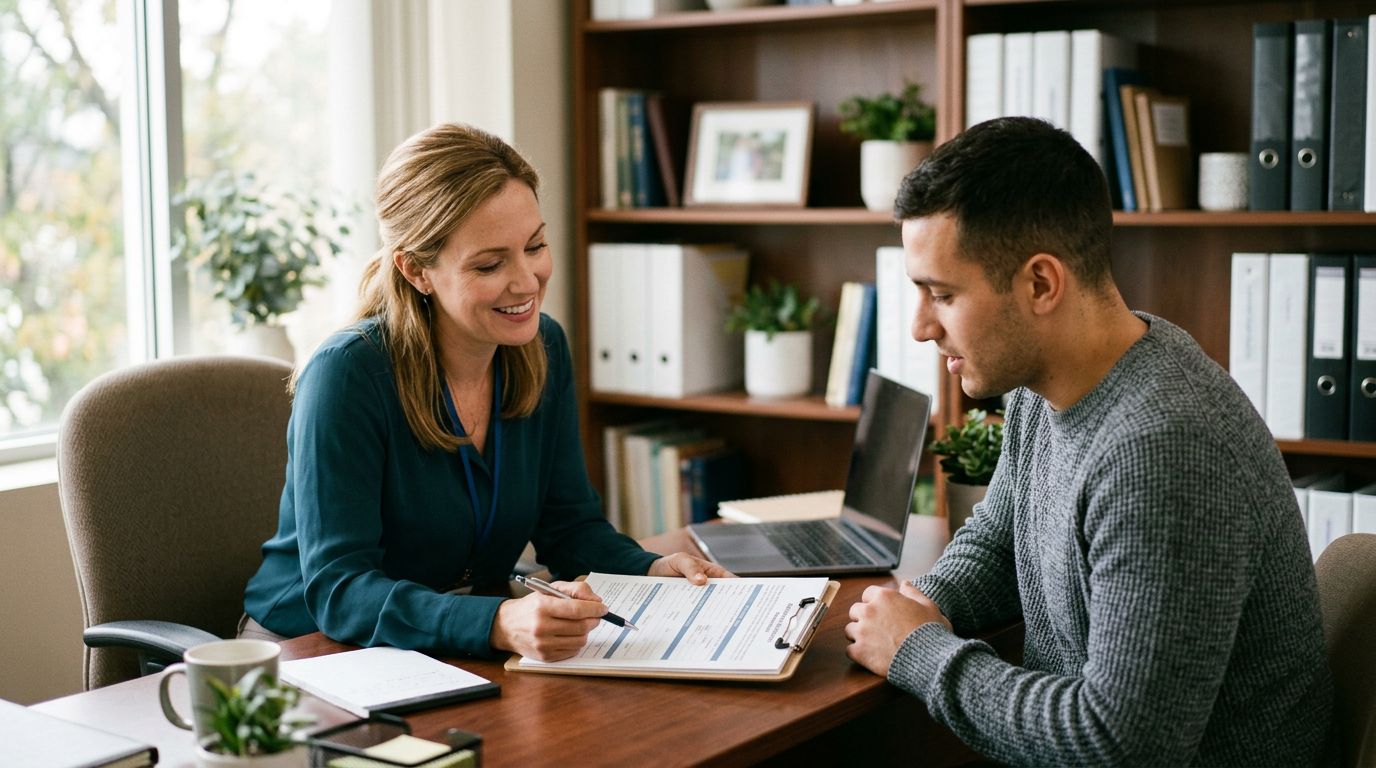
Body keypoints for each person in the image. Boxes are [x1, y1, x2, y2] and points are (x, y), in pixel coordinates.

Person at [844, 117, 1334, 765]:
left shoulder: (1164, 448)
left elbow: (1123, 745)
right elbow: (1001, 534)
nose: (919, 327)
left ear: (1041, 284)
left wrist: (920, 651)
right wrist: (925, 603)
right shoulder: (1045, 382)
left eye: (943, 294)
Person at [243, 122, 728, 661]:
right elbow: (341, 590)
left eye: (535, 246)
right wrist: (496, 622)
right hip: (313, 648)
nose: (527, 282)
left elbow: (570, 527)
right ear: (416, 270)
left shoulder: (544, 346)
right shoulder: (348, 375)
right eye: (490, 264)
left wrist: (652, 569)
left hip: (455, 640)